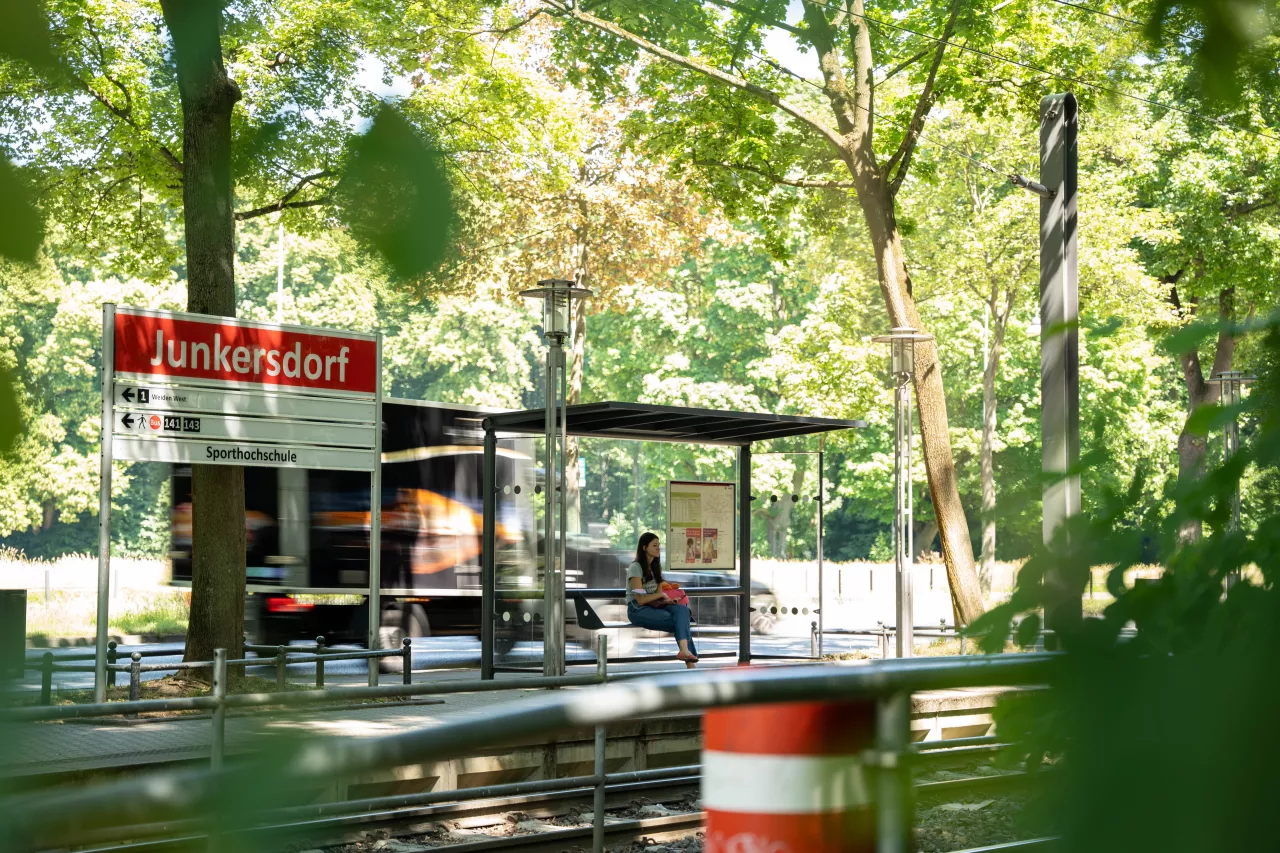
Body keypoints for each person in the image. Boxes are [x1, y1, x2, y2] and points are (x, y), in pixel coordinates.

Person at [627, 532, 698, 668]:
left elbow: (658, 594)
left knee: (683, 610)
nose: (658, 548)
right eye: (654, 545)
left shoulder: (655, 567)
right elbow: (640, 600)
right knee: (681, 623)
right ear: (644, 548)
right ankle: (690, 665)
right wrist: (661, 596)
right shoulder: (635, 567)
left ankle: (684, 651)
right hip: (637, 609)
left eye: (659, 545)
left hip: (655, 606)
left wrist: (667, 600)